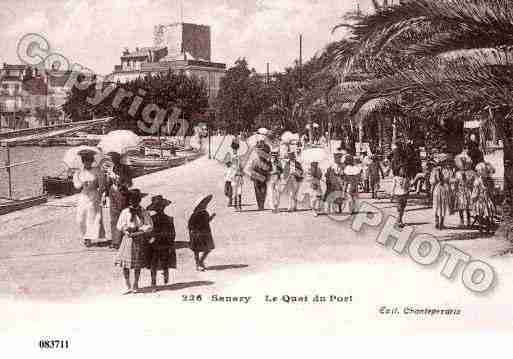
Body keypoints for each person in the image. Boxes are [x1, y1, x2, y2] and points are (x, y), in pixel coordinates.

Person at [115, 189, 153, 294]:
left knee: (137, 264)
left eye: (136, 199)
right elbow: (119, 225)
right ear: (129, 201)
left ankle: (136, 283)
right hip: (128, 239)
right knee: (125, 265)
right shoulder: (125, 212)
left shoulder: (144, 212)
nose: (133, 202)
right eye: (131, 200)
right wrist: (125, 229)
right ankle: (127, 284)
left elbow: (149, 225)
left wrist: (141, 231)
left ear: (139, 200)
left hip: (139, 239)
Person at [73, 149, 105, 247]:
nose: (87, 163)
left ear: (92, 161)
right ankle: (84, 235)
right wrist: (82, 183)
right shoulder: (78, 172)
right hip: (83, 196)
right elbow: (76, 186)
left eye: (89, 160)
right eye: (85, 161)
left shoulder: (97, 171)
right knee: (80, 218)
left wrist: (100, 196)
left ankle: (88, 238)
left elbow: (102, 185)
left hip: (94, 195)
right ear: (82, 161)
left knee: (91, 217)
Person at [146, 195, 176, 292]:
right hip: (161, 243)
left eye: (161, 207)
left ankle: (154, 282)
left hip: (157, 243)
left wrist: (150, 238)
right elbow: (172, 233)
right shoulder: (168, 218)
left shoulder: (152, 219)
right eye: (159, 207)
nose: (160, 209)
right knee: (160, 262)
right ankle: (158, 278)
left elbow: (148, 232)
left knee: (155, 263)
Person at [104, 152, 133, 249]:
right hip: (113, 192)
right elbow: (108, 184)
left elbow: (129, 183)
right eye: (111, 159)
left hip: (122, 193)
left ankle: (122, 240)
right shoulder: (111, 168)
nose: (112, 160)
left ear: (118, 158)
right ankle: (115, 241)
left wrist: (117, 178)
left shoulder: (125, 169)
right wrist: (108, 178)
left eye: (113, 158)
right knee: (113, 218)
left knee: (122, 216)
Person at [188, 195, 216, 271]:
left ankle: (200, 261)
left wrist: (211, 218)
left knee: (208, 248)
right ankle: (197, 263)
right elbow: (190, 225)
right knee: (196, 250)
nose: (205, 205)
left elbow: (207, 221)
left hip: (205, 233)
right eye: (203, 204)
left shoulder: (205, 213)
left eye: (205, 204)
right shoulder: (195, 214)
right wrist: (193, 232)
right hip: (197, 234)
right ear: (199, 206)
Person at [429, 154, 453, 230]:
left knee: (436, 205)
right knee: (443, 206)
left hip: (437, 188)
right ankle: (441, 223)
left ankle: (436, 222)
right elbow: (450, 181)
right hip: (445, 189)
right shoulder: (448, 170)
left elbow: (432, 182)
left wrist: (431, 190)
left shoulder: (435, 170)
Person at [472, 162, 496, 233]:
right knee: (480, 213)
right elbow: (476, 190)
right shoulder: (478, 180)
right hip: (480, 198)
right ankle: (481, 227)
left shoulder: (488, 180)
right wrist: (474, 197)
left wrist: (492, 196)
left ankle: (486, 227)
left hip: (486, 198)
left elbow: (491, 190)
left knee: (487, 212)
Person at [453, 155, 476, 228]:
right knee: (460, 207)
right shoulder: (457, 173)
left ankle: (468, 221)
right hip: (460, 191)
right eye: (463, 164)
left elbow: (472, 182)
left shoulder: (471, 173)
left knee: (467, 207)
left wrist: (466, 179)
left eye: (465, 164)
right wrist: (455, 190)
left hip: (467, 190)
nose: (464, 166)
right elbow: (456, 182)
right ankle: (461, 221)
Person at [249, 140, 272, 211]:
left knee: (263, 191)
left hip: (264, 178)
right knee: (257, 192)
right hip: (256, 178)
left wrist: (268, 176)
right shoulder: (255, 160)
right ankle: (260, 205)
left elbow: (270, 169)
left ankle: (262, 204)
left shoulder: (267, 161)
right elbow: (252, 169)